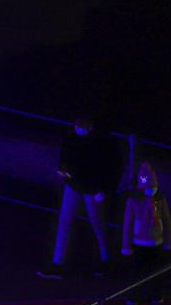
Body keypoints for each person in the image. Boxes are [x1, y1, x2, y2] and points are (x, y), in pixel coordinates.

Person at [40, 117, 121, 280]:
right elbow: (64, 160)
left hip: (90, 188)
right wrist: (64, 173)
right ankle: (58, 263)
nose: (79, 129)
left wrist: (104, 189)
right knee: (65, 222)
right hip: (76, 185)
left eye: (82, 126)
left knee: (97, 223)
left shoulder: (97, 143)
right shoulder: (72, 139)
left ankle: (106, 259)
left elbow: (108, 167)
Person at [120, 162, 171, 303]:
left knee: (156, 271)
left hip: (157, 241)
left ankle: (155, 294)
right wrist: (126, 246)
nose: (152, 189)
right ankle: (134, 295)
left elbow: (166, 219)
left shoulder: (159, 198)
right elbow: (128, 223)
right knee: (137, 272)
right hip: (140, 242)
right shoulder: (134, 199)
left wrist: (168, 241)